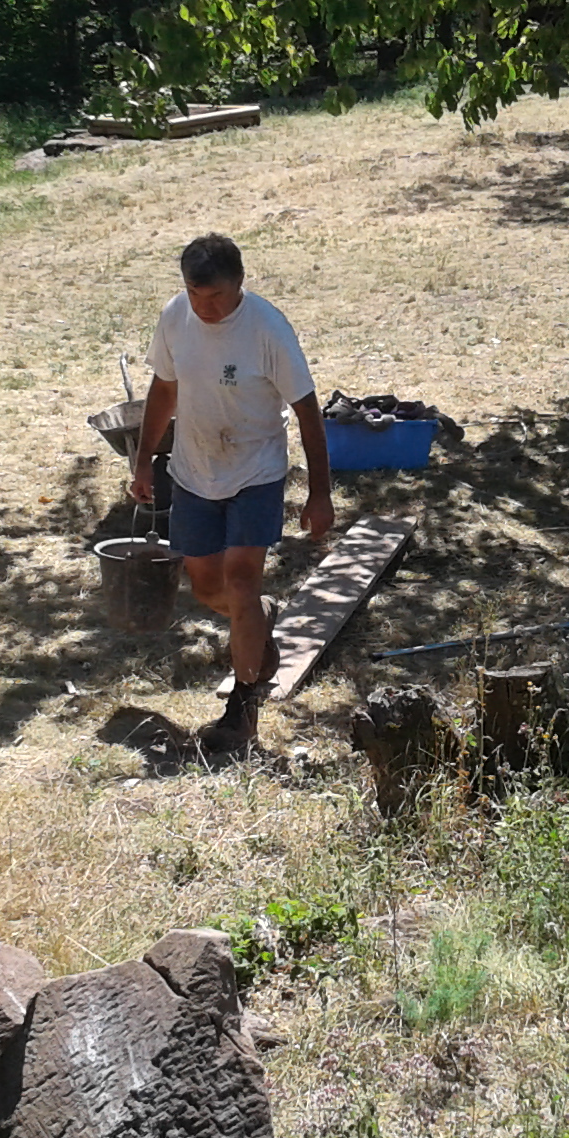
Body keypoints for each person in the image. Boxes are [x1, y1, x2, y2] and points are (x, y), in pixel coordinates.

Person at [131, 233, 333, 751]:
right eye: (195, 295)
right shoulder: (175, 317)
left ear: (239, 283)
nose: (205, 308)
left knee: (241, 581)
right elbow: (165, 388)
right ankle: (257, 622)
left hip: (255, 471)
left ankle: (242, 707)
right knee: (206, 587)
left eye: (216, 296)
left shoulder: (267, 329)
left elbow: (308, 411)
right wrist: (144, 458)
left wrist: (320, 493)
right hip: (194, 470)